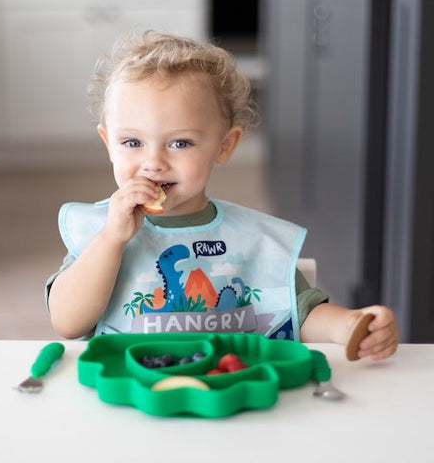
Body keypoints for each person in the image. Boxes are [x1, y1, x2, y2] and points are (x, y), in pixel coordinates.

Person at [46, 31, 398, 360]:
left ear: (224, 145)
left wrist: (349, 325)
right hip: (128, 393)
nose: (153, 163)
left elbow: (300, 311)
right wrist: (111, 239)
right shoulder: (98, 231)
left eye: (180, 143)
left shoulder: (252, 239)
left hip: (232, 392)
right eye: (132, 142)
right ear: (109, 144)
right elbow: (67, 322)